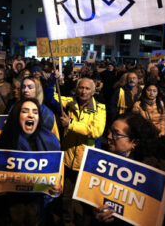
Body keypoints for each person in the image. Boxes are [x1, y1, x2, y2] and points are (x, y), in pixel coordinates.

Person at [95, 113, 165, 226]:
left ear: (134, 142)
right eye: (110, 131)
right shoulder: (102, 165)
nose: (110, 136)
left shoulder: (154, 172)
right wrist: (99, 216)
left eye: (116, 133)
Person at [0, 98, 60, 226]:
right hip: (9, 213)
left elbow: (54, 181)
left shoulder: (49, 142)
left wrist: (55, 188)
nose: (31, 115)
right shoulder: (5, 141)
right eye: (25, 111)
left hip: (38, 213)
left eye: (35, 112)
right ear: (17, 115)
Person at [45, 73, 106, 225]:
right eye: (81, 87)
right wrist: (53, 80)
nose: (83, 91)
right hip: (68, 160)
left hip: (86, 162)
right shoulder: (69, 102)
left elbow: (96, 131)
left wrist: (71, 124)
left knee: (86, 200)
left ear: (93, 92)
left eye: (87, 88)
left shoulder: (100, 109)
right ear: (76, 89)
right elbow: (50, 97)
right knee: (66, 198)